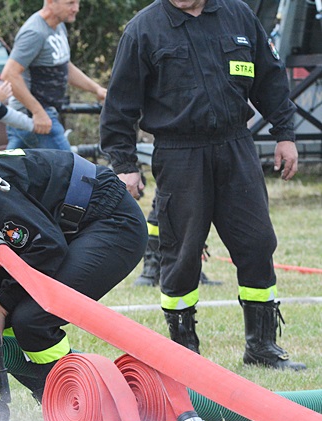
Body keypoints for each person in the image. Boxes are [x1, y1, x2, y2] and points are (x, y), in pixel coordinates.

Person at [100, 0, 305, 370]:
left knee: (257, 243)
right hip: (180, 153)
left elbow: (270, 78)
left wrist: (285, 133)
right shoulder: (143, 30)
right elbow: (119, 106)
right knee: (181, 252)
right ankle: (184, 351)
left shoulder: (238, 15)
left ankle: (261, 347)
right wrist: (124, 165)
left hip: (236, 146)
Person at [0, 149, 146, 401]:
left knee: (32, 318)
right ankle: (56, 400)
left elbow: (45, 246)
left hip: (110, 221)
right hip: (63, 224)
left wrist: (2, 306)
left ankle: (84, 404)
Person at [0, 0, 106, 152]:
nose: (76, 9)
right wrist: (37, 112)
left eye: (77, 3)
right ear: (50, 2)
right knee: (70, 168)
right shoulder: (34, 32)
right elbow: (9, 74)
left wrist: (96, 89)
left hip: (41, 115)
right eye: (70, 3)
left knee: (14, 172)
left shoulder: (58, 26)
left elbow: (64, 66)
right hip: (34, 117)